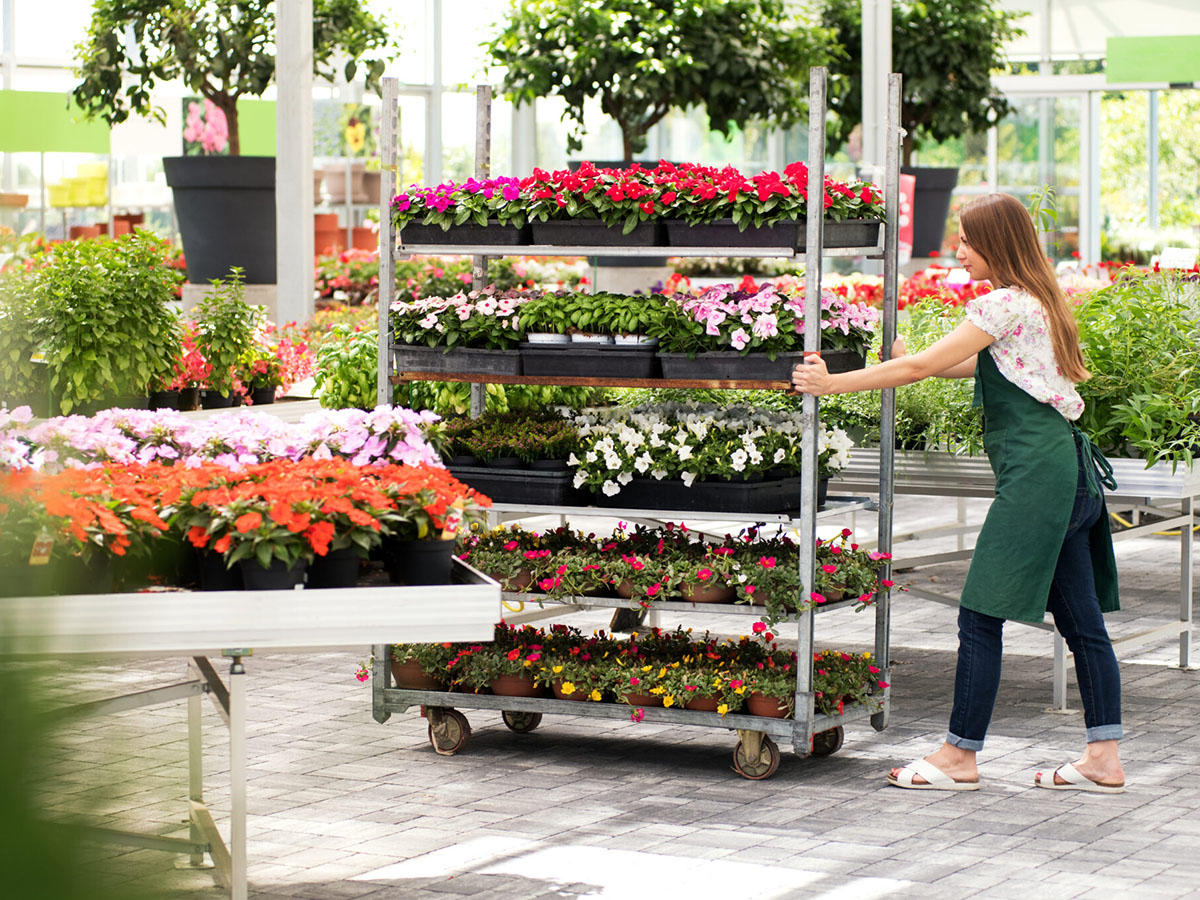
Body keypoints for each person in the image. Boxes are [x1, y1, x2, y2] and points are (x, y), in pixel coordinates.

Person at [792, 192, 1125, 793]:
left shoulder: (1000, 303)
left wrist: (830, 382)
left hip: (1037, 480)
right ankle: (1103, 756)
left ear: (996, 243)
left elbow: (919, 371)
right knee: (1083, 624)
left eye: (968, 240)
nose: (959, 250)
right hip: (1068, 475)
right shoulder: (1039, 300)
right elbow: (985, 366)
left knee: (979, 613)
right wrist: (915, 356)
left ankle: (958, 756)